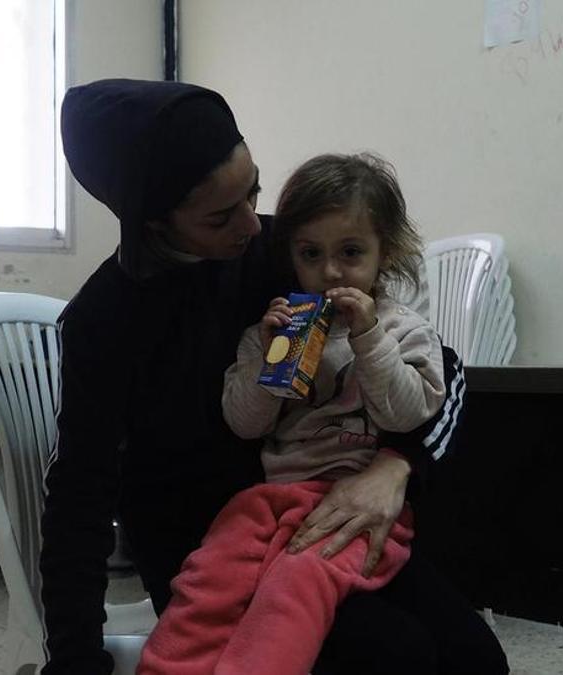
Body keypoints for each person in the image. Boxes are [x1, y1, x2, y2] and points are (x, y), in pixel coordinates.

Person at [41, 78, 508, 675]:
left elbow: (441, 369)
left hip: (329, 507)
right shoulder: (103, 321)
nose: (253, 225)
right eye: (219, 216)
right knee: (394, 654)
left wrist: (396, 468)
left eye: (252, 192)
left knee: (474, 660)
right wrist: (76, 659)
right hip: (208, 549)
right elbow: (78, 495)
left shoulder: (288, 251)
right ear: (155, 223)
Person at [137, 152, 447, 675]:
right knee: (207, 579)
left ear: (383, 252)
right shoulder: (276, 329)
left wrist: (369, 338)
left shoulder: (405, 331)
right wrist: (266, 356)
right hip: (268, 496)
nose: (329, 271)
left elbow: (406, 415)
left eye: (351, 252)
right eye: (311, 254)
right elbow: (245, 424)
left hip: (354, 503)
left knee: (296, 585)